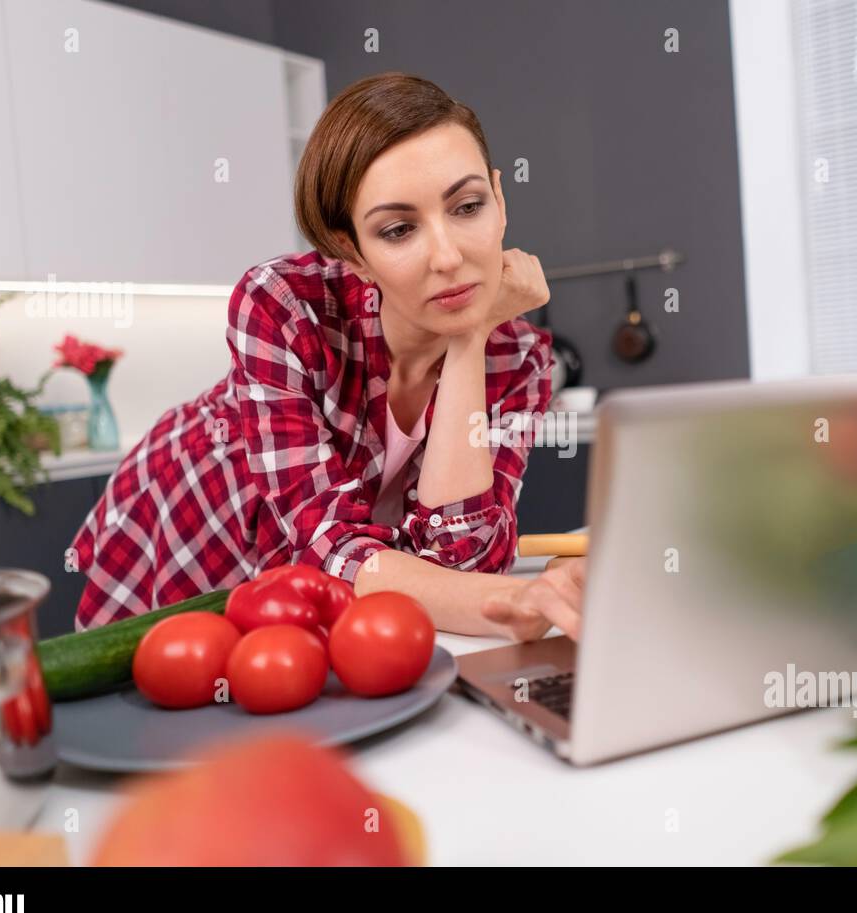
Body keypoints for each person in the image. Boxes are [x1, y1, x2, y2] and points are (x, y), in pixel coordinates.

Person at [71, 72, 585, 642]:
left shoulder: (520, 360)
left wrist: (471, 340)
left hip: (333, 598)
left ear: (499, 199)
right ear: (353, 253)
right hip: (188, 532)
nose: (447, 256)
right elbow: (329, 549)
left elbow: (459, 562)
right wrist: (514, 597)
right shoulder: (284, 305)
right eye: (397, 229)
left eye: (467, 207)